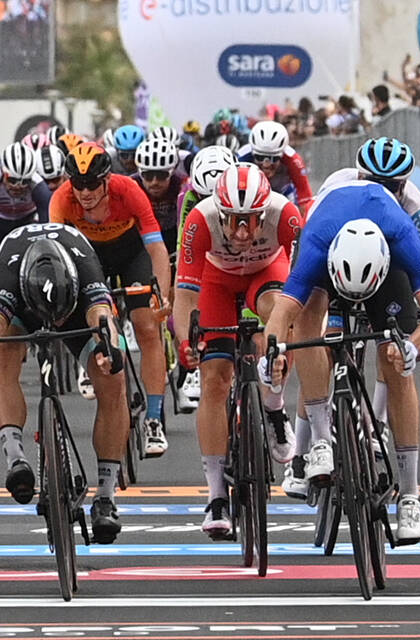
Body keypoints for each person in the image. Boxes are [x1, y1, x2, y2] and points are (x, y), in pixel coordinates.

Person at [259, 181, 420, 545]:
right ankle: (318, 441)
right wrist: (273, 354)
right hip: (327, 252)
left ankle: (410, 496)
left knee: (395, 363)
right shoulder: (317, 242)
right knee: (306, 322)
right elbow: (282, 312)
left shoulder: (400, 235)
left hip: (384, 267)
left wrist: (413, 345)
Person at [283, 138, 420, 500]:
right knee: (319, 341)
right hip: (335, 258)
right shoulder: (336, 192)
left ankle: (378, 426)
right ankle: (303, 454)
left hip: (390, 264)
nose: (379, 191)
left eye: (391, 186)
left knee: (394, 349)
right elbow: (310, 263)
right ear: (358, 174)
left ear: (405, 185)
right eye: (372, 180)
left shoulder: (415, 212)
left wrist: (417, 337)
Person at [0, 222, 127, 543]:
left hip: (75, 306)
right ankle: (16, 459)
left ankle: (107, 496)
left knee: (113, 379)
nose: (53, 325)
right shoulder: (9, 275)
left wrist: (107, 349)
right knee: (2, 358)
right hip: (23, 307)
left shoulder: (85, 268)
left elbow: (102, 317)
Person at [172, 164, 302, 537]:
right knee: (214, 380)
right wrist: (186, 343)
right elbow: (185, 296)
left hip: (267, 274)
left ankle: (274, 410)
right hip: (217, 281)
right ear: (220, 212)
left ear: (265, 212)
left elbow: (302, 288)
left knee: (276, 315)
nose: (242, 232)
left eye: (250, 221)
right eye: (233, 221)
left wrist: (285, 342)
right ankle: (216, 496)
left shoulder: (286, 216)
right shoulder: (200, 220)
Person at [50, 142, 171, 457]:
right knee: (96, 316)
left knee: (147, 326)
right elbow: (58, 254)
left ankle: (154, 419)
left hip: (130, 253)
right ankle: (96, 356)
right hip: (88, 255)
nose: (85, 191)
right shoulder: (61, 199)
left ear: (106, 180)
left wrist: (162, 294)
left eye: (91, 184)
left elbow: (156, 247)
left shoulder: (127, 189)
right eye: (78, 184)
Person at [171, 145, 237, 411]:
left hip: (242, 254)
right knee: (183, 297)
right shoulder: (186, 199)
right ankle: (191, 368)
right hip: (206, 252)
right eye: (203, 199)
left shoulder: (249, 187)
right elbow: (185, 252)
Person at [0, 141, 53, 258]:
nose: (18, 186)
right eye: (12, 180)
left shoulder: (39, 186)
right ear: (3, 172)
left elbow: (46, 223)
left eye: (25, 181)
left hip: (25, 221)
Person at [237, 121, 313, 213]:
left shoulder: (293, 159)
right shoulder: (241, 157)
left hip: (284, 194)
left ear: (282, 154)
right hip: (251, 195)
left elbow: (304, 195)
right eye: (259, 157)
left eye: (273, 158)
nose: (266, 164)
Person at [133, 137, 188, 254]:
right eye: (148, 175)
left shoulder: (183, 186)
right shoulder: (131, 185)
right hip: (140, 240)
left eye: (161, 175)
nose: (154, 182)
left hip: (174, 237)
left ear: (172, 172)